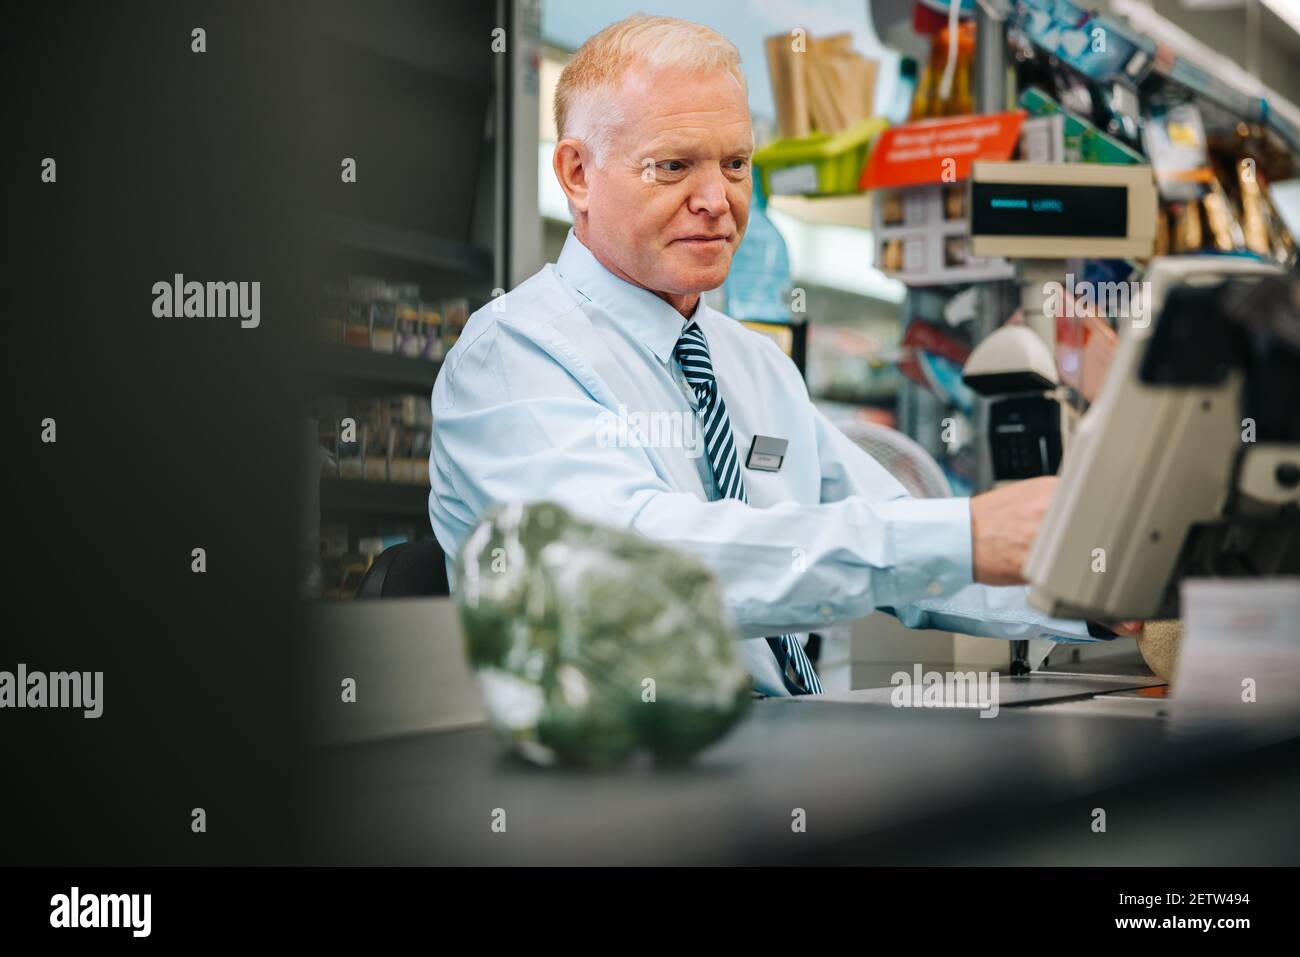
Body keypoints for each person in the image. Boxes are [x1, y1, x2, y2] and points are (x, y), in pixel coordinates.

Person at [428, 14, 1135, 697]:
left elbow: (907, 538)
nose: (716, 199)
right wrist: (968, 532)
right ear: (577, 173)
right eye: (673, 166)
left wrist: (1102, 591)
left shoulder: (752, 365)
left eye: (736, 163)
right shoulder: (512, 357)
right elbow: (636, 566)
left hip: (770, 757)